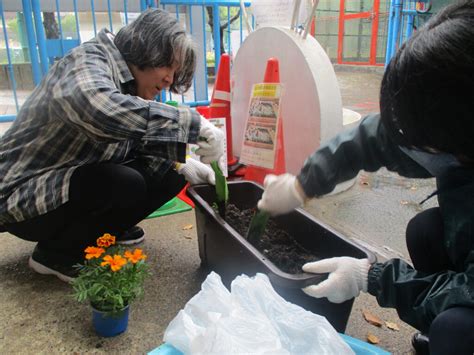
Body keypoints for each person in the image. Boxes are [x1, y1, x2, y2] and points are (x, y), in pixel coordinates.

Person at [257, 2, 474, 354]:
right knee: (425, 232)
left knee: (457, 328)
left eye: (423, 141)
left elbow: (468, 289)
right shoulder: (456, 115)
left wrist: (369, 277)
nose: (409, 146)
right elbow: (378, 136)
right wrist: (302, 185)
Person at [0, 9, 223, 282]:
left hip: (64, 182)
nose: (169, 80)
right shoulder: (87, 61)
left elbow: (135, 138)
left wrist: (185, 163)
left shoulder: (130, 86)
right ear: (145, 46)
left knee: (171, 172)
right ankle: (57, 254)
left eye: (175, 73)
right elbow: (100, 111)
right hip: (19, 194)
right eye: (168, 65)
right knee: (123, 182)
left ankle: (103, 232)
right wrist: (194, 124)